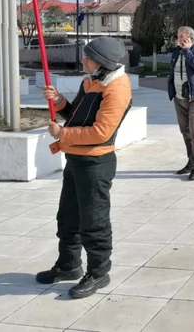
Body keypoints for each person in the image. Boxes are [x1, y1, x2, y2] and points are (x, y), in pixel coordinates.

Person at [36, 36, 132, 299]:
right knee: (68, 217)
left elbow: (100, 133)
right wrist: (58, 101)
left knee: (94, 222)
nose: (83, 60)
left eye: (87, 57)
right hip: (75, 159)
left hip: (96, 164)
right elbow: (76, 115)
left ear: (101, 62)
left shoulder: (117, 88)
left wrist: (62, 134)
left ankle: (99, 272)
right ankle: (69, 265)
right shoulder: (91, 81)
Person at [167, 26, 194, 181]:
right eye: (178, 37)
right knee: (185, 131)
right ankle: (191, 162)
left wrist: (188, 50)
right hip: (179, 97)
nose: (179, 40)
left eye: (182, 37)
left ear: (191, 38)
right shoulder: (176, 52)